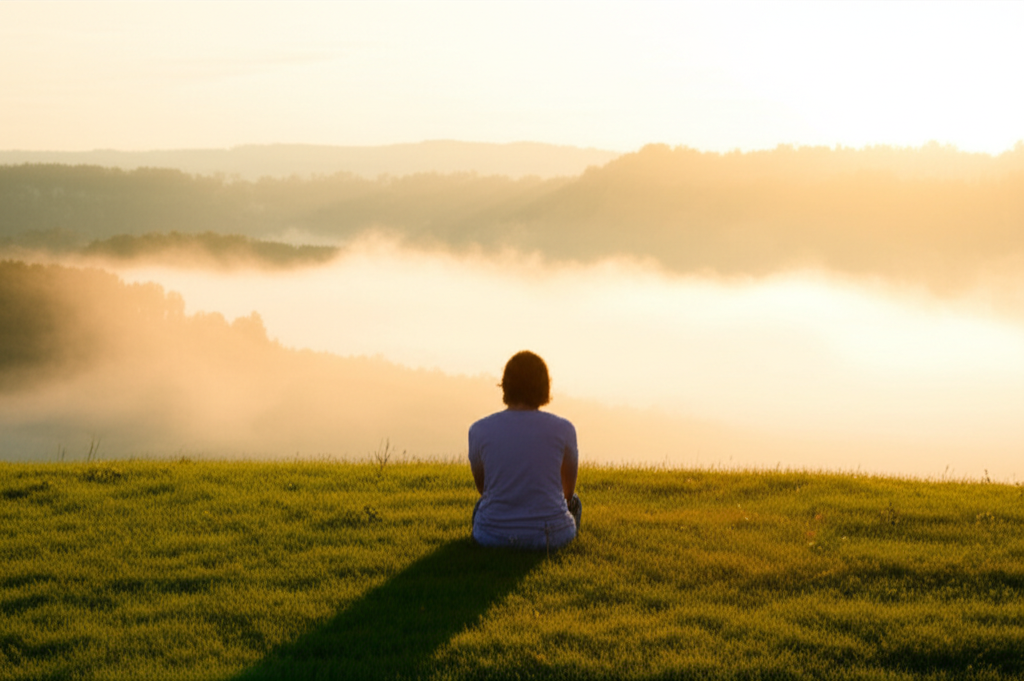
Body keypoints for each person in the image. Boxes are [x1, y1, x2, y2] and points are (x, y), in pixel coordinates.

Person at [468, 350, 582, 550]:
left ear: (505, 385)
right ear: (544, 387)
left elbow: (483, 489)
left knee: (481, 505)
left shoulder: (478, 430)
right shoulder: (564, 429)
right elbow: (567, 492)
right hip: (551, 537)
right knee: (575, 502)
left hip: (491, 536)